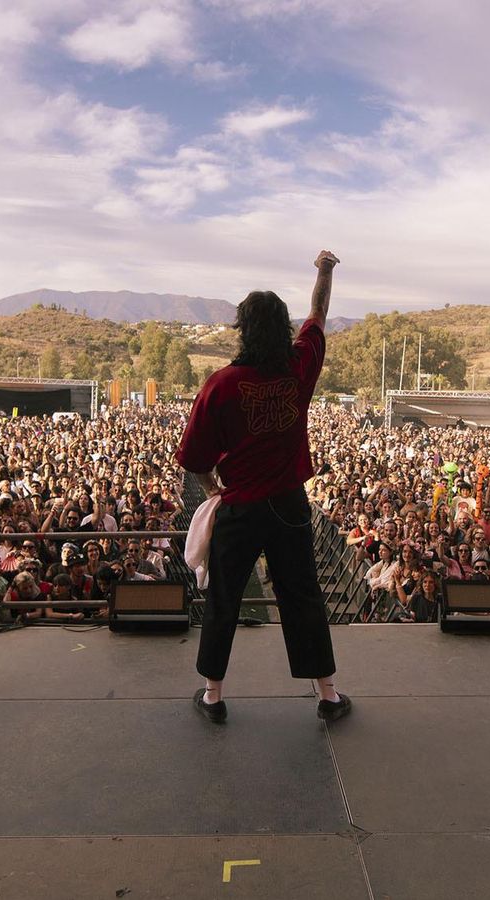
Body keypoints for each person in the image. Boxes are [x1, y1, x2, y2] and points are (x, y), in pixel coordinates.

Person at [176, 250, 346, 724]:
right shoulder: (299, 369)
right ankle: (328, 695)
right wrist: (324, 271)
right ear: (283, 330)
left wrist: (214, 490)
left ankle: (213, 697)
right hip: (289, 505)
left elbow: (194, 459)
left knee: (224, 599)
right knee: (303, 596)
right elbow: (319, 314)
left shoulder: (221, 384)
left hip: (241, 508)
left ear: (243, 331)